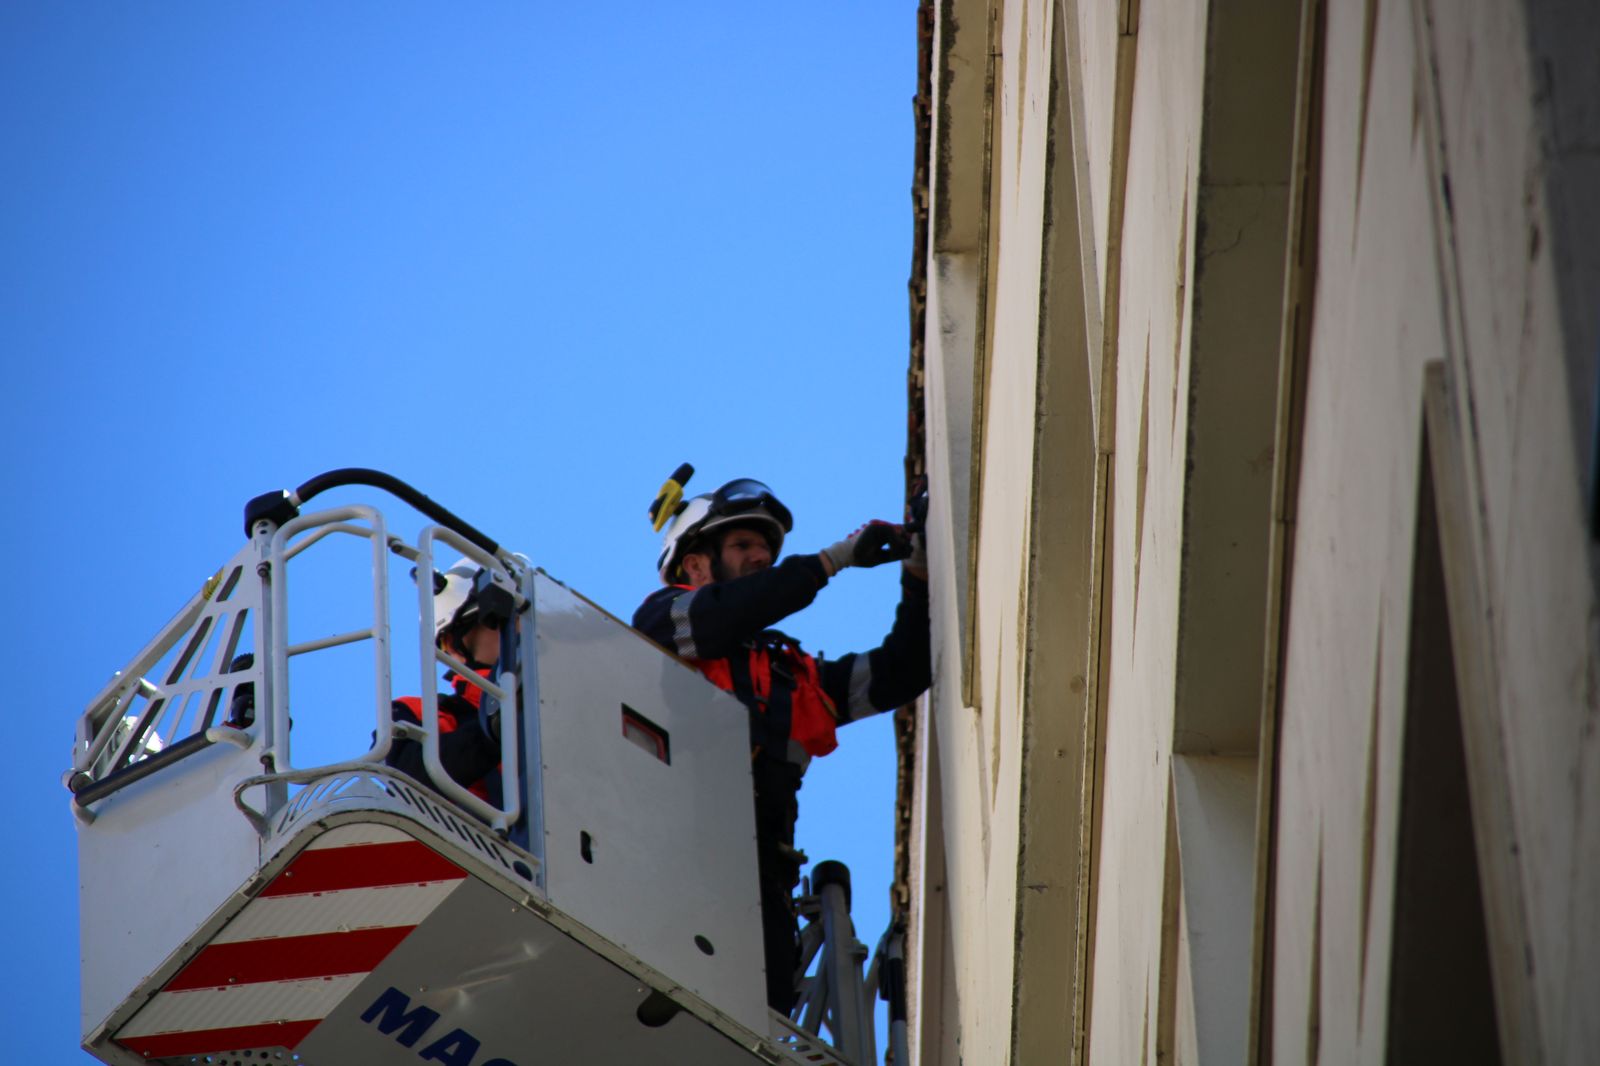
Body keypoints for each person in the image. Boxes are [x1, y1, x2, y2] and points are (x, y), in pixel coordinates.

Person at [631, 477, 931, 1014]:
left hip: (759, 875)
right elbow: (727, 613)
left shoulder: (788, 676)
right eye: (742, 546)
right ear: (694, 565)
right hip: (671, 861)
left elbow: (901, 673)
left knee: (762, 1013)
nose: (761, 557)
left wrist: (919, 570)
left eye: (765, 548)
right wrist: (834, 559)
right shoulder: (660, 624)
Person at [387, 558, 506, 805]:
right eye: (502, 621)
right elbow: (410, 780)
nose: (519, 632)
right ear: (453, 643)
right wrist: (495, 728)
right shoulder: (419, 713)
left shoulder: (564, 698)